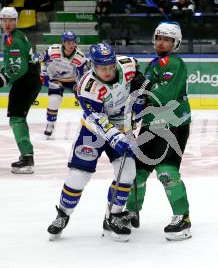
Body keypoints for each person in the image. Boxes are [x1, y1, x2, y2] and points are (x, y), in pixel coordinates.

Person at [47, 43, 145, 242]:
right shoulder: (87, 86)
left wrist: (140, 88)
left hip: (122, 127)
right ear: (93, 65)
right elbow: (98, 119)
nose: (108, 71)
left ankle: (113, 216)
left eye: (110, 66)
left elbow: (138, 72)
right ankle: (63, 214)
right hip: (93, 131)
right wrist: (117, 138)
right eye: (102, 68)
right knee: (78, 176)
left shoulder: (127, 65)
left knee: (127, 173)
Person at [124, 21, 192, 241]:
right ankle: (131, 211)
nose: (161, 42)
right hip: (151, 124)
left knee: (166, 172)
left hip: (173, 125)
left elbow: (165, 95)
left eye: (167, 39)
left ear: (176, 43)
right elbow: (142, 98)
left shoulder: (175, 63)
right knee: (136, 173)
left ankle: (183, 218)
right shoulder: (153, 64)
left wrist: (143, 86)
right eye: (159, 38)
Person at [0, 7, 42, 174]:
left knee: (16, 118)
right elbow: (14, 64)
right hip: (29, 80)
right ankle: (26, 155)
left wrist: (2, 79)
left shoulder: (14, 39)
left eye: (11, 20)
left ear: (16, 21)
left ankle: (27, 159)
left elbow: (18, 68)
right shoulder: (13, 37)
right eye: (4, 20)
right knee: (17, 118)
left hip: (25, 81)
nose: (8, 23)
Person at [40, 31, 86, 139]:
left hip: (72, 81)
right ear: (63, 42)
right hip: (56, 79)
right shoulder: (52, 50)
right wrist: (43, 72)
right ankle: (50, 125)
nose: (71, 45)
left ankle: (91, 125)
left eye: (73, 42)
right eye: (68, 42)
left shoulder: (80, 57)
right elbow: (41, 59)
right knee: (54, 100)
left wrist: (78, 86)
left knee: (86, 101)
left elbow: (82, 74)